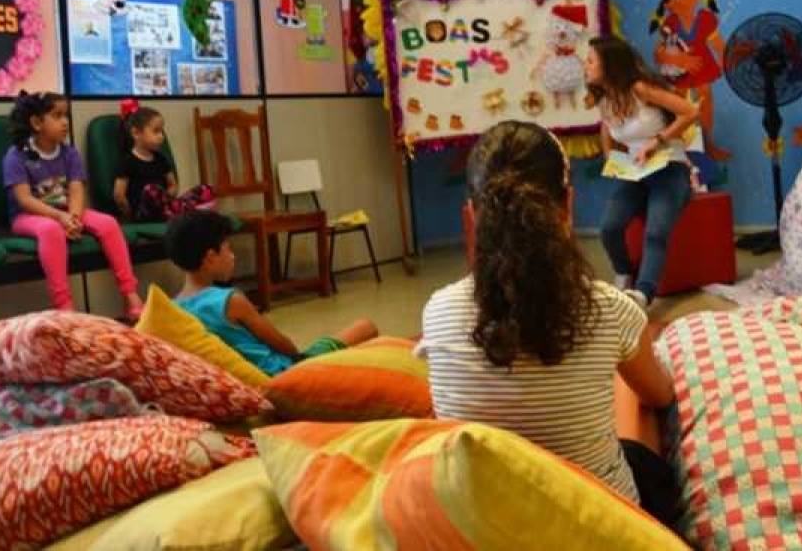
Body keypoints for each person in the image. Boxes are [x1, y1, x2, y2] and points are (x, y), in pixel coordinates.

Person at [415, 121, 681, 530]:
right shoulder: (611, 308)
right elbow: (661, 395)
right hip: (600, 530)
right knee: (646, 438)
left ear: (471, 216)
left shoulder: (437, 311)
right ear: (568, 207)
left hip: (483, 532)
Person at [166, 210, 378, 376]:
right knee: (365, 326)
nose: (233, 256)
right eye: (228, 249)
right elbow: (286, 347)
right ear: (210, 256)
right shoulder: (230, 301)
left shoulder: (173, 309)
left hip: (241, 381)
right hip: (283, 374)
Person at [4, 91, 143, 318]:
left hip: (66, 212)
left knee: (107, 223)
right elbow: (25, 199)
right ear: (37, 123)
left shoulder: (70, 154)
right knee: (51, 230)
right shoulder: (16, 155)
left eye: (66, 115)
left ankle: (131, 295)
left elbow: (77, 190)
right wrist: (60, 218)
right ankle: (64, 306)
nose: (65, 122)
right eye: (57, 116)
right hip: (28, 217)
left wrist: (74, 217)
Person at [587, 36, 700, 308]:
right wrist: (611, 158)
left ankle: (643, 294)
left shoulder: (640, 88)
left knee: (655, 232)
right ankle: (624, 272)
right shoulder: (603, 97)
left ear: (610, 66)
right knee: (609, 228)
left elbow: (690, 112)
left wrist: (657, 142)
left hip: (668, 167)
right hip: (637, 173)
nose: (585, 66)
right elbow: (607, 126)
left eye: (591, 61)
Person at [651, 0, 729, 160]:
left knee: (705, 101)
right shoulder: (670, 24)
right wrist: (679, 60)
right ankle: (678, 145)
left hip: (702, 70)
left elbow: (718, 45)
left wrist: (728, 62)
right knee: (679, 106)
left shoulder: (706, 18)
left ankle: (707, 144)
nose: (678, 1)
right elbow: (659, 54)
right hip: (680, 76)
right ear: (667, 4)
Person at [114, 99, 215, 221]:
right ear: (136, 133)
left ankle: (176, 211)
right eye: (156, 131)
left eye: (161, 131)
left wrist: (168, 195)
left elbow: (172, 184)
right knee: (151, 190)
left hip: (165, 205)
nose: (161, 136)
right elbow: (119, 195)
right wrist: (130, 216)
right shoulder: (127, 161)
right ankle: (185, 212)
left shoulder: (160, 158)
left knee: (207, 189)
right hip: (143, 213)